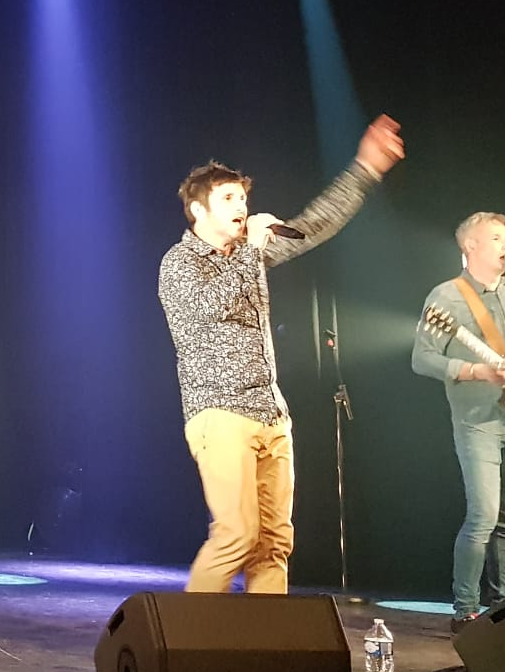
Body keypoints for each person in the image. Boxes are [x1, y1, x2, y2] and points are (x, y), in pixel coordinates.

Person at [156, 115, 405, 593]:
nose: (242, 206)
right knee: (236, 536)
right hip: (219, 413)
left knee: (273, 544)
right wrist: (251, 249)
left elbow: (314, 226)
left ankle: (264, 649)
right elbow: (210, 310)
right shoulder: (179, 263)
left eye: (244, 198)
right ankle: (184, 644)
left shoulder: (246, 254)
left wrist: (365, 170)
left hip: (272, 414)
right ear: (197, 210)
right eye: (229, 199)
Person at [411, 212, 505, 629]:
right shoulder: (446, 296)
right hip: (477, 421)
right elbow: (421, 359)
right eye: (496, 237)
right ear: (470, 247)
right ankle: (465, 611)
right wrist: (476, 371)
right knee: (484, 515)